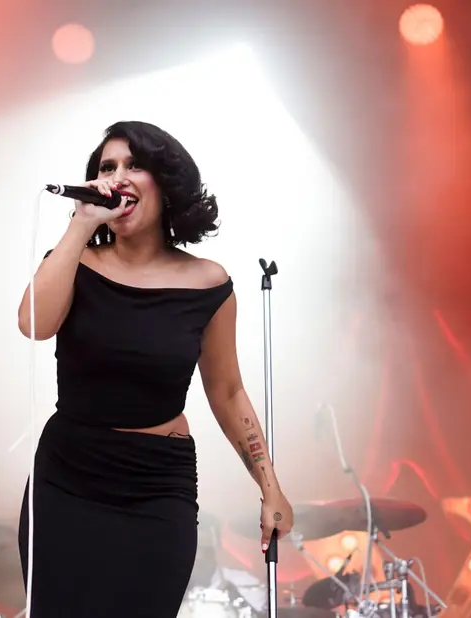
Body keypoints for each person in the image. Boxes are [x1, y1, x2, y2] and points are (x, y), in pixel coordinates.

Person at [16, 121, 294, 617]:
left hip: (155, 486)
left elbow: (227, 393)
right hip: (67, 478)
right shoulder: (75, 262)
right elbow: (33, 324)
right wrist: (80, 226)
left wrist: (270, 488)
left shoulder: (209, 284)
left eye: (133, 165)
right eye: (106, 168)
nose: (117, 177)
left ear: (166, 183)